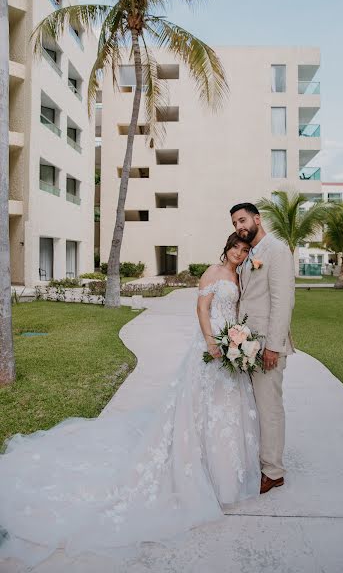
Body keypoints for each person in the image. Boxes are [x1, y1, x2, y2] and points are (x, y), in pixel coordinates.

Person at [0, 233, 260, 567]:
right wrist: (212, 342)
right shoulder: (212, 272)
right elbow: (202, 308)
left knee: (226, 410)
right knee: (200, 407)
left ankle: (223, 471)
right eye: (235, 248)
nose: (238, 254)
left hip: (231, 348)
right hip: (210, 348)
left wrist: (238, 341)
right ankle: (194, 465)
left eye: (243, 250)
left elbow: (236, 309)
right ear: (225, 249)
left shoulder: (239, 275)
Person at [231, 203, 295, 494]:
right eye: (235, 223)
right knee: (253, 406)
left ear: (257, 219)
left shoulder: (277, 250)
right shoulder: (248, 255)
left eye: (242, 220)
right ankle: (259, 459)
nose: (239, 227)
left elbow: (283, 302)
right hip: (246, 343)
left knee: (269, 408)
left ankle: (273, 471)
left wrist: (273, 346)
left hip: (266, 346)